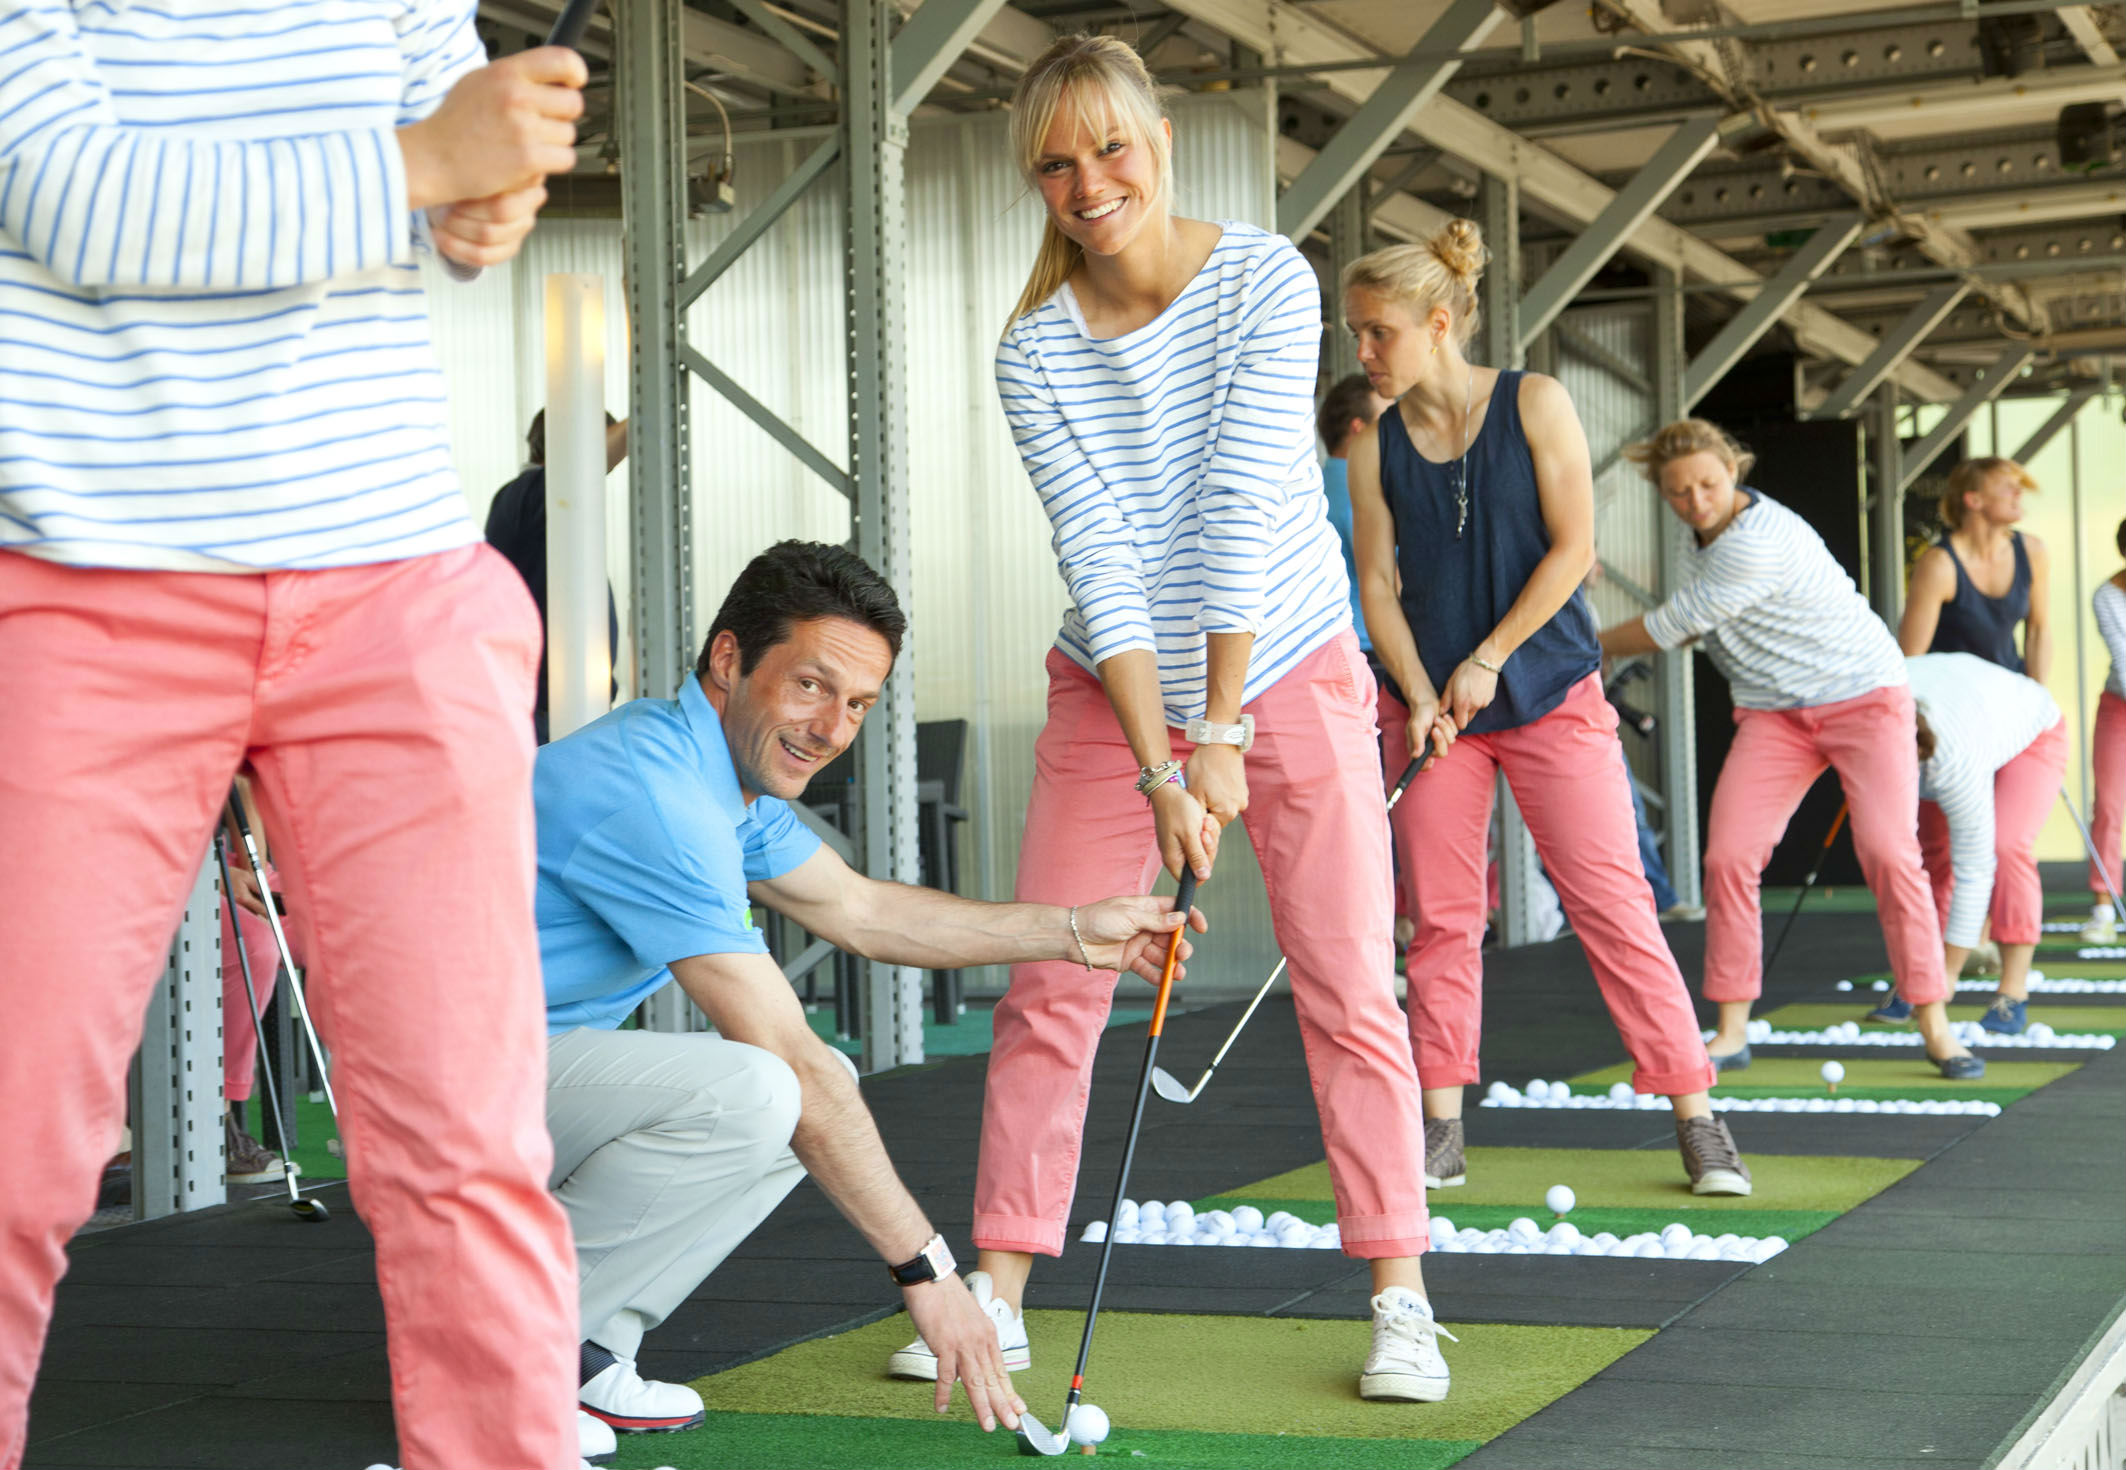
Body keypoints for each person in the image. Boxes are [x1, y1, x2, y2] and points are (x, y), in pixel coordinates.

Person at [0, 8, 596, 1466]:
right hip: (82, 590)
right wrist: (421, 158)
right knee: (12, 1155)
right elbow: (68, 195)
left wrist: (480, 194)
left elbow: (445, 221)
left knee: (471, 1156)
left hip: (395, 590)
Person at [911, 34, 1454, 1405]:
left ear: (1158, 135)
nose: (1089, 182)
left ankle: (1399, 1288)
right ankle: (1004, 1286)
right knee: (1056, 974)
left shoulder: (1268, 276)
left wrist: (1219, 733)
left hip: (1291, 657)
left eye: (1109, 146)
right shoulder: (1032, 350)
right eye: (1055, 162)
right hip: (1113, 683)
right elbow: (1099, 555)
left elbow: (1232, 500)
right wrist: (1163, 759)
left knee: (1347, 980)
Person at [533, 540, 1201, 1442]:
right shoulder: (659, 796)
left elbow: (862, 910)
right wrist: (932, 1275)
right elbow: (790, 1052)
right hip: (433, 1090)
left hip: (516, 1065)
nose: (831, 728)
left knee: (815, 1092)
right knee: (768, 1086)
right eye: (809, 686)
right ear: (729, 661)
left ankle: (580, 1348)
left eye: (856, 703)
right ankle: (505, 1353)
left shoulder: (716, 775)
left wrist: (1079, 932)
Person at [1342, 229, 1746, 1203]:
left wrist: (1486, 657)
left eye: (1375, 332)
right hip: (1437, 713)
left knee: (1613, 907)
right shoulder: (1374, 450)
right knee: (1436, 921)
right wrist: (1420, 687)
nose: (1360, 352)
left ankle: (1695, 1115)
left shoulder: (1535, 401)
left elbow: (1573, 551)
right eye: (1353, 333)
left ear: (1437, 325)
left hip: (1551, 693)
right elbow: (1376, 586)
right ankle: (1439, 1126)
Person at [1597, 420, 1983, 1080]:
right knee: (1728, 856)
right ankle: (1732, 1028)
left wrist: (1587, 641)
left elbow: (1674, 625)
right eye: (1679, 492)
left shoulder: (1760, 541)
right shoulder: (1698, 541)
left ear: (1735, 470)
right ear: (1663, 494)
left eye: (1708, 485)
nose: (1697, 501)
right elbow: (1698, 620)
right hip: (1777, 716)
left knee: (1890, 853)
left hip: (1865, 699)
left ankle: (1935, 1020)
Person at [1897, 654, 2068, 1035]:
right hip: (1963, 706)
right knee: (1931, 857)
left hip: (2030, 729)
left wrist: (1951, 975)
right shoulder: (1869, 713)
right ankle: (1922, 975)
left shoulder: (1950, 760)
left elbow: (1975, 869)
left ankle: (2012, 989)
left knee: (2005, 847)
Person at [486, 412, 630, 741]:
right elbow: (581, 467)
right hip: (540, 720)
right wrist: (641, 415)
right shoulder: (528, 495)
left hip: (557, 715)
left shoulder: (546, 509)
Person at [1898, 457, 2052, 680]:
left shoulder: (2033, 551)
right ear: (1974, 500)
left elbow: (2038, 630)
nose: (2018, 493)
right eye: (2007, 486)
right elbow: (1912, 657)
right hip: (1951, 699)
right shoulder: (1939, 565)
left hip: (2010, 691)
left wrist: (2038, 696)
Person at [2080, 519, 2126, 944]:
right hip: (2119, 708)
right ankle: (2103, 907)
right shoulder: (2107, 595)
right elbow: (2123, 659)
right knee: (2109, 806)